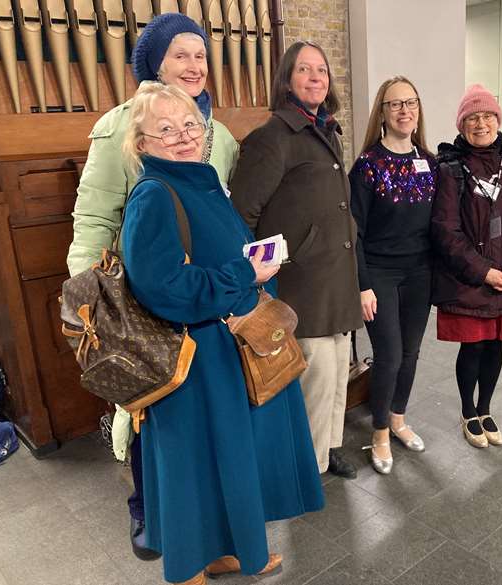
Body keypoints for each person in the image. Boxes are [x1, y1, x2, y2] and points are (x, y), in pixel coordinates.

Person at [120, 81, 323, 585]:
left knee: (228, 462)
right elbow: (164, 288)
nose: (183, 136)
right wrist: (242, 275)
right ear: (142, 143)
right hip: (194, 357)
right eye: (165, 130)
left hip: (226, 345)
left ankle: (227, 551)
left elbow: (225, 254)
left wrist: (258, 266)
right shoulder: (153, 196)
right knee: (193, 466)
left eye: (190, 124)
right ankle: (189, 568)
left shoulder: (202, 180)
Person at [65, 13, 239, 560]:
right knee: (146, 404)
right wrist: (88, 297)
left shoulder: (221, 135)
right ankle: (147, 507)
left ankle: (208, 516)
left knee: (198, 408)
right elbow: (95, 216)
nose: (193, 66)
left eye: (201, 55)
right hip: (143, 289)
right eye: (180, 54)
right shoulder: (121, 125)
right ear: (155, 63)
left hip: (204, 292)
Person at [230, 41, 362, 479]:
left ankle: (330, 447)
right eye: (304, 70)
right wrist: (258, 285)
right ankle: (306, 468)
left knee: (338, 374)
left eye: (321, 70)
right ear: (286, 79)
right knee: (314, 383)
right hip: (302, 285)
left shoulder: (326, 130)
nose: (315, 77)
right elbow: (243, 216)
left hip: (336, 278)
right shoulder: (272, 137)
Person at [431, 84, 502, 449]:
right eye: (472, 117)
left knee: (495, 347)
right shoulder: (449, 171)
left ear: (498, 120)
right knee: (473, 348)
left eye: (487, 116)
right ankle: (468, 412)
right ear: (462, 125)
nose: (481, 124)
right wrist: (484, 272)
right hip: (471, 281)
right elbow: (446, 231)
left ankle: (485, 408)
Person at [349, 76, 436, 474]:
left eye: (411, 102)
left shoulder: (429, 161)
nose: (405, 111)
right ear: (382, 113)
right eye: (395, 104)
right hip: (380, 272)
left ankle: (398, 418)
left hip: (420, 271)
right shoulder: (367, 165)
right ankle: (379, 431)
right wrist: (363, 284)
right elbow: (355, 233)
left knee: (413, 352)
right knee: (390, 355)